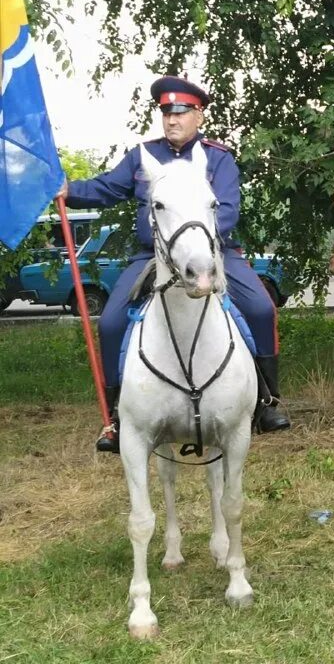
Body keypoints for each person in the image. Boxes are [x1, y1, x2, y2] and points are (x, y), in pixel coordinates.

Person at [57, 76, 290, 452]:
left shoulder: (219, 158)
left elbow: (227, 211)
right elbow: (105, 188)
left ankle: (267, 403)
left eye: (181, 112)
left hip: (214, 253)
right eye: (166, 112)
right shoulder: (143, 157)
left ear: (199, 115)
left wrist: (196, 243)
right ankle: (117, 417)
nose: (172, 120)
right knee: (114, 320)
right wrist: (69, 190)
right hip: (152, 257)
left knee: (262, 308)